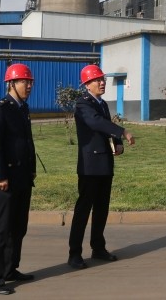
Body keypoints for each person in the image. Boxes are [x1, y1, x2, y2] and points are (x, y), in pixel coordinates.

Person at [67, 64, 135, 270]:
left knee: (102, 208)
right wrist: (122, 131)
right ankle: (74, 253)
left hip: (105, 162)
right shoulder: (82, 104)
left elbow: (105, 127)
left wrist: (118, 142)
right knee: (83, 210)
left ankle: (98, 247)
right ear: (87, 84)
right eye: (97, 80)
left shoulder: (103, 104)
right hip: (89, 166)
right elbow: (96, 123)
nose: (102, 83)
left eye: (102, 79)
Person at [0, 63, 37, 295]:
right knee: (0, 230)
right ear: (11, 84)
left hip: (23, 177)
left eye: (30, 82)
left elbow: (27, 142)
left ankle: (10, 269)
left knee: (18, 228)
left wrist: (32, 170)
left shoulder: (22, 108)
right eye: (25, 82)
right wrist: (0, 176)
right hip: (5, 180)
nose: (29, 86)